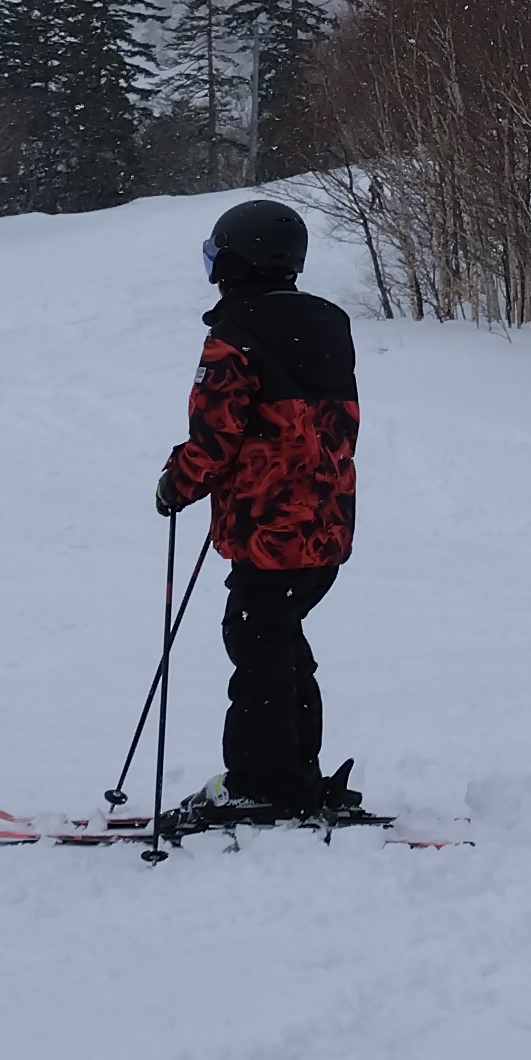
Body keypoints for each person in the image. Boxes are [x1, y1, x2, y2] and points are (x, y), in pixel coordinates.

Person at [154, 197, 365, 818]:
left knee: (256, 644)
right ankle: (294, 773)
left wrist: (177, 484)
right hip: (323, 528)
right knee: (279, 642)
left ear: (235, 260)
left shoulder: (234, 336)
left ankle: (263, 784)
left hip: (270, 528)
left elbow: (215, 438)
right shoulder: (329, 325)